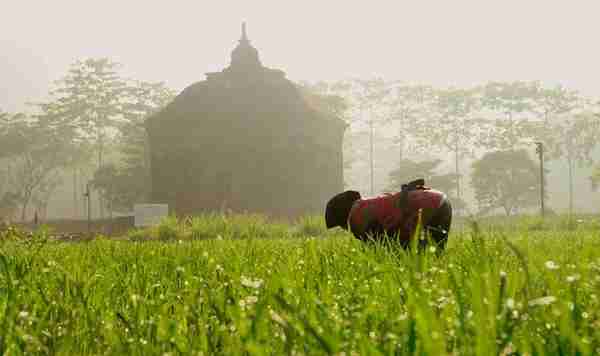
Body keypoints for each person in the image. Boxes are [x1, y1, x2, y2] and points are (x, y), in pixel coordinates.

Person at [325, 179, 452, 250]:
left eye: (341, 226)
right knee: (433, 256)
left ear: (342, 218)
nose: (345, 230)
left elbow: (381, 248)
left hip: (425, 206)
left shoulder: (356, 218)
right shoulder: (367, 205)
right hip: (440, 200)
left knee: (420, 259)